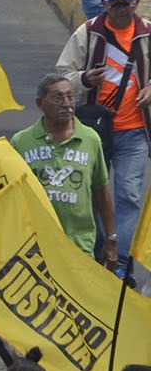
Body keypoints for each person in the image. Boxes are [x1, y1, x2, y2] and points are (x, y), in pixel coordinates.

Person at [57, 0, 150, 262]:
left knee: (128, 195)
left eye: (127, 3)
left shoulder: (146, 33)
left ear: (136, 1)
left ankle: (120, 262)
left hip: (135, 131)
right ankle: (100, 250)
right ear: (104, 4)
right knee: (91, 194)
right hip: (94, 132)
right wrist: (84, 79)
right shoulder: (88, 33)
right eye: (115, 4)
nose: (122, 9)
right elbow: (63, 77)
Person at [12, 70, 114, 261]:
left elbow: (101, 190)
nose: (67, 104)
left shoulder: (90, 138)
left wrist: (111, 238)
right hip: (35, 246)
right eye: (58, 98)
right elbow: (10, 195)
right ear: (40, 104)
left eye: (70, 97)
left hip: (79, 245)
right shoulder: (21, 142)